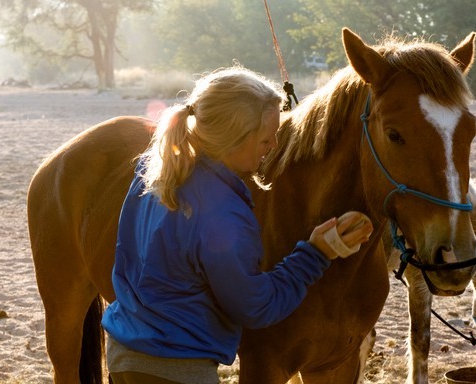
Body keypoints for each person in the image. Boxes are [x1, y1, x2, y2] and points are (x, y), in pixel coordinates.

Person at [101, 66, 374, 384]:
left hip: (123, 355)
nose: (273, 145)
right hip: (177, 369)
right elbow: (256, 307)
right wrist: (315, 253)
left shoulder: (155, 171)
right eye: (265, 138)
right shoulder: (224, 214)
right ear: (235, 139)